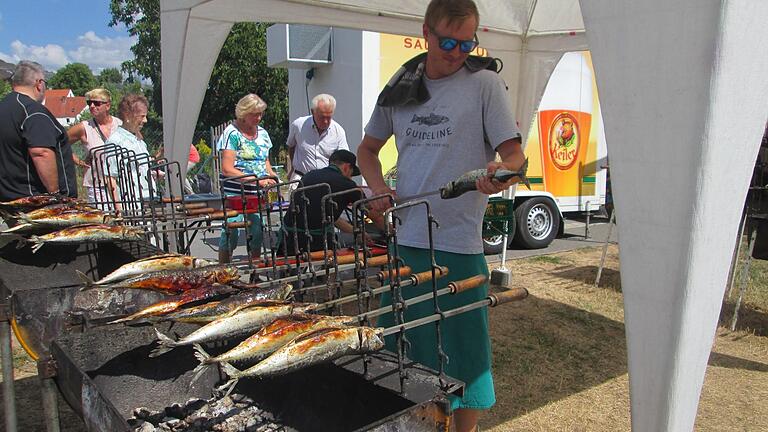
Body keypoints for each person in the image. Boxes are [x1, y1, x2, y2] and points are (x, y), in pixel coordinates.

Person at [356, 1, 526, 431]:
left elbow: (515, 156)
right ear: (426, 33)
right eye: (448, 42)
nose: (456, 52)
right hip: (408, 239)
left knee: (465, 361)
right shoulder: (401, 84)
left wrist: (501, 173)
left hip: (459, 243)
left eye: (467, 42)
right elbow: (367, 151)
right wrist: (378, 190)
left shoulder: (485, 84)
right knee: (399, 352)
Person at [0, 60, 77, 201]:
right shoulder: (32, 111)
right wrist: (55, 195)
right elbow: (41, 153)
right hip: (35, 202)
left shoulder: (4, 107)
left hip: (9, 199)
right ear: (39, 84)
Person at [216, 94, 278, 263]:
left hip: (258, 192)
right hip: (236, 193)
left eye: (260, 114)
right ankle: (223, 270)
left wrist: (272, 176)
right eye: (254, 114)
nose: (258, 117)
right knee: (231, 231)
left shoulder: (263, 133)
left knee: (257, 230)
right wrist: (255, 179)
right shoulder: (232, 133)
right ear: (244, 113)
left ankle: (255, 271)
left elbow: (265, 160)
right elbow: (227, 168)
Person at [279, 149, 362, 256]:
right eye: (351, 173)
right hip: (318, 242)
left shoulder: (309, 175)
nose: (351, 177)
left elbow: (331, 218)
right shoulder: (347, 185)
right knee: (333, 258)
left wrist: (356, 231)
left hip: (289, 238)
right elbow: (372, 211)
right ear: (346, 167)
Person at [67, 88, 122, 208]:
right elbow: (61, 143)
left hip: (121, 183)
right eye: (89, 103)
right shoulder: (84, 127)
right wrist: (77, 161)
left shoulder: (120, 125)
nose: (92, 106)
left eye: (97, 103)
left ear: (107, 106)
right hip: (97, 185)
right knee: (105, 221)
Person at [104, 93, 156, 213]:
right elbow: (110, 178)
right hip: (131, 205)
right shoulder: (116, 141)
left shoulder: (138, 139)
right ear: (128, 115)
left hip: (148, 201)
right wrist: (119, 210)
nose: (145, 120)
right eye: (142, 116)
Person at [286, 94, 349, 186]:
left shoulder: (338, 131)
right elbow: (291, 146)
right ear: (313, 112)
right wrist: (292, 167)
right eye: (322, 117)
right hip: (301, 180)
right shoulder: (298, 125)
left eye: (329, 117)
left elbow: (344, 159)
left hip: (326, 183)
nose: (326, 122)